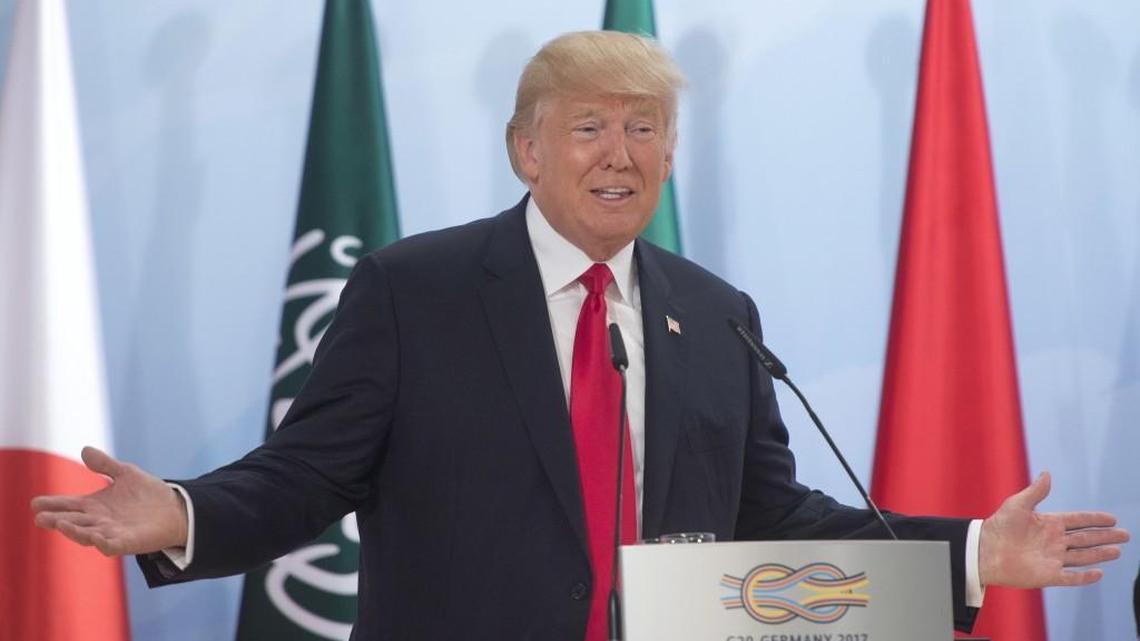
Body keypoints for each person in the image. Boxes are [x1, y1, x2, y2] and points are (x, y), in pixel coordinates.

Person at [31, 31, 1127, 641]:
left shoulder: (717, 314)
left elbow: (774, 516)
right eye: (591, 125)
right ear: (526, 150)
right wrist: (179, 509)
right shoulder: (415, 289)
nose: (621, 151)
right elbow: (306, 477)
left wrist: (976, 549)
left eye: (645, 128)